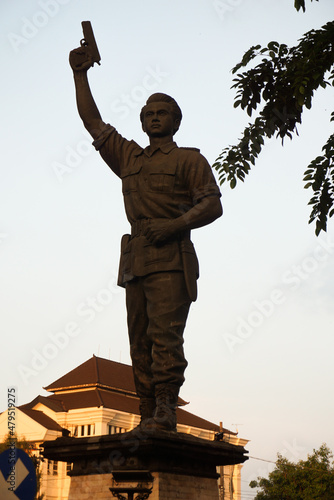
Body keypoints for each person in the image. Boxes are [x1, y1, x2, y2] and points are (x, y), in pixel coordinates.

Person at [69, 46, 223, 432]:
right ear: (142, 123)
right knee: (138, 340)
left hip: (171, 257)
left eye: (163, 113)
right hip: (135, 260)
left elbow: (212, 205)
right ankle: (146, 412)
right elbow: (93, 123)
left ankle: (166, 411)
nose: (155, 118)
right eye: (149, 114)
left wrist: (173, 225)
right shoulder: (130, 158)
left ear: (176, 121)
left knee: (164, 337)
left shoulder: (189, 160)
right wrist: (79, 75)